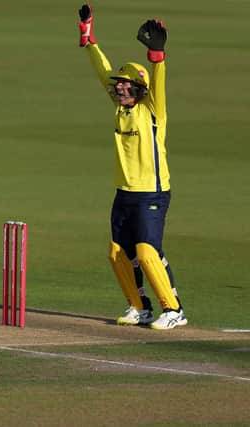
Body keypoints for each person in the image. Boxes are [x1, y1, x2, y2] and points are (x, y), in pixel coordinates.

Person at [77, 4, 187, 330]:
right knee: (117, 252)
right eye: (118, 85)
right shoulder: (120, 109)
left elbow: (158, 81)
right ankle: (140, 307)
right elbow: (103, 71)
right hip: (123, 192)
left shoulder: (153, 111)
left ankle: (174, 309)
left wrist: (157, 54)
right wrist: (89, 38)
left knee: (146, 250)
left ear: (139, 88)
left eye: (125, 85)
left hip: (152, 192)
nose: (119, 88)